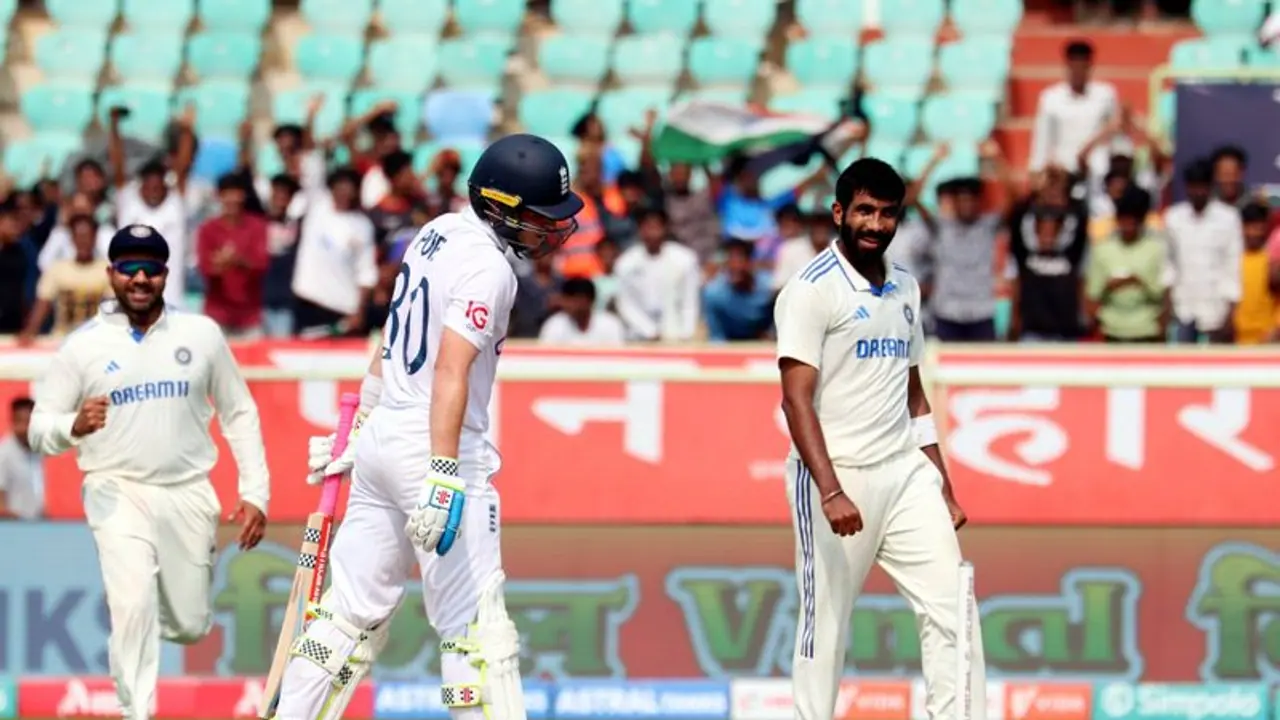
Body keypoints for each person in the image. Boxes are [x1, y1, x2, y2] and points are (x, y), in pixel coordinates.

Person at [275, 134, 583, 720]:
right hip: (437, 449)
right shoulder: (491, 269)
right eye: (540, 219)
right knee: (477, 630)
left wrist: (360, 424)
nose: (550, 232)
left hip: (385, 435)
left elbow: (388, 340)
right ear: (499, 204)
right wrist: (443, 471)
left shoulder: (435, 231)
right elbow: (450, 368)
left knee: (346, 618)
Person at [25, 224, 270, 720]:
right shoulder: (82, 347)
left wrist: (256, 493)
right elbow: (36, 428)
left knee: (190, 624)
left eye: (151, 268)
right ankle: (136, 711)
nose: (140, 277)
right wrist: (72, 425)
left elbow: (238, 412)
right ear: (111, 274)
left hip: (187, 492)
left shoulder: (200, 334)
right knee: (132, 604)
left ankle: (151, 607)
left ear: (165, 274)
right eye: (129, 268)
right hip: (116, 489)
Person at [773, 158, 984, 720]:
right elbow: (796, 400)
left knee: (953, 609)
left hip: (905, 473)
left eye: (888, 214)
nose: (875, 224)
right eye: (864, 211)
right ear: (839, 212)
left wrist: (940, 481)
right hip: (838, 478)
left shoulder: (906, 287)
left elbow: (913, 392)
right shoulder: (810, 291)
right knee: (828, 623)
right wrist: (831, 489)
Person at [1163, 160, 1243, 344]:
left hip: (1216, 311)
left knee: (1218, 370)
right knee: (1182, 369)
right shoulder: (1174, 218)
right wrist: (1167, 308)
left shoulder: (1228, 218)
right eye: (1193, 186)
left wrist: (1230, 314)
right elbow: (1168, 266)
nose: (1198, 192)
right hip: (1183, 310)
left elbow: (1233, 266)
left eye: (1203, 186)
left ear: (1210, 187)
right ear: (1186, 187)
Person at [1084, 188, 1168, 343]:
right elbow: (1092, 295)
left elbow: (1161, 293)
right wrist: (1110, 286)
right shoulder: (1103, 249)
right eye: (1123, 220)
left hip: (1146, 330)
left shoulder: (1156, 249)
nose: (1128, 225)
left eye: (1133, 220)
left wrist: (1138, 281)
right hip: (1112, 331)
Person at [20, 213, 111, 344]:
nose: (83, 241)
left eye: (87, 236)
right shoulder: (56, 269)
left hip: (96, 340)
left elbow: (114, 309)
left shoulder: (107, 270)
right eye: (79, 236)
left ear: (95, 237)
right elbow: (43, 304)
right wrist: (30, 331)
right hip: (61, 339)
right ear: (72, 239)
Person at [613, 207, 701, 341]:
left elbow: (690, 300)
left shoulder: (685, 259)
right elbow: (625, 304)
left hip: (676, 334)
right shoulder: (626, 263)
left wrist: (686, 334)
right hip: (639, 335)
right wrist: (650, 332)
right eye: (647, 227)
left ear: (666, 229)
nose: (652, 233)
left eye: (656, 227)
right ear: (639, 230)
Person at [703, 239, 775, 341]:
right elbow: (716, 336)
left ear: (750, 262)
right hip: (730, 345)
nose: (736, 266)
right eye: (731, 260)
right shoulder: (713, 293)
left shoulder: (769, 288)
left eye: (740, 260)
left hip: (761, 343)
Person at [1233, 202, 1279, 344]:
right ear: (1242, 228)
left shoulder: (1272, 263)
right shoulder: (1232, 261)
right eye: (1250, 227)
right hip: (1233, 342)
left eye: (1259, 228)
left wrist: (1275, 332)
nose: (1254, 233)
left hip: (1267, 342)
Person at [538, 278, 626, 346]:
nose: (568, 304)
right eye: (567, 299)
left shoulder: (610, 324)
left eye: (574, 300)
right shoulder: (554, 324)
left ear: (589, 301)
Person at [0, 397, 42, 520]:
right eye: (20, 421)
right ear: (13, 421)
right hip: (15, 529)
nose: (25, 427)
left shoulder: (37, 452)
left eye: (28, 422)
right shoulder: (4, 453)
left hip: (39, 525)